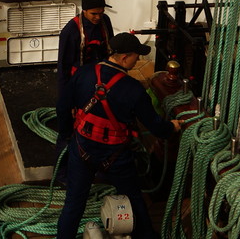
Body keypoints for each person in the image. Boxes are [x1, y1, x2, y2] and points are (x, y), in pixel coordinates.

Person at [55, 33, 182, 239]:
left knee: (73, 204)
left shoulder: (84, 73)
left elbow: (62, 106)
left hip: (82, 149)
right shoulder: (133, 90)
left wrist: (68, 135)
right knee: (134, 198)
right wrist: (173, 127)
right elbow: (156, 127)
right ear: (124, 57)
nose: (138, 60)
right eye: (136, 57)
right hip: (114, 157)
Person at [57, 0, 115, 90]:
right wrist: (64, 95)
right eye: (94, 14)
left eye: (101, 13)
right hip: (80, 79)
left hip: (102, 76)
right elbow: (64, 66)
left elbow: (111, 49)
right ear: (84, 10)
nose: (98, 17)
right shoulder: (70, 31)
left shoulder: (105, 21)